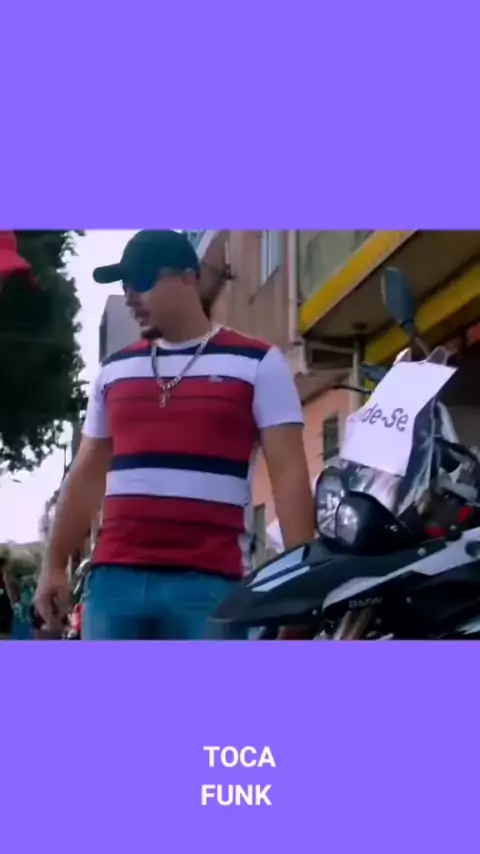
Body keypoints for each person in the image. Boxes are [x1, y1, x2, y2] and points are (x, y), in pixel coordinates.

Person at [35, 230, 314, 640]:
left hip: (210, 584)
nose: (130, 296)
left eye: (142, 281)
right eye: (124, 285)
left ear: (189, 278)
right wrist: (54, 564)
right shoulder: (113, 371)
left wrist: (302, 585)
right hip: (115, 584)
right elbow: (86, 473)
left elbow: (289, 473)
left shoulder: (258, 363)